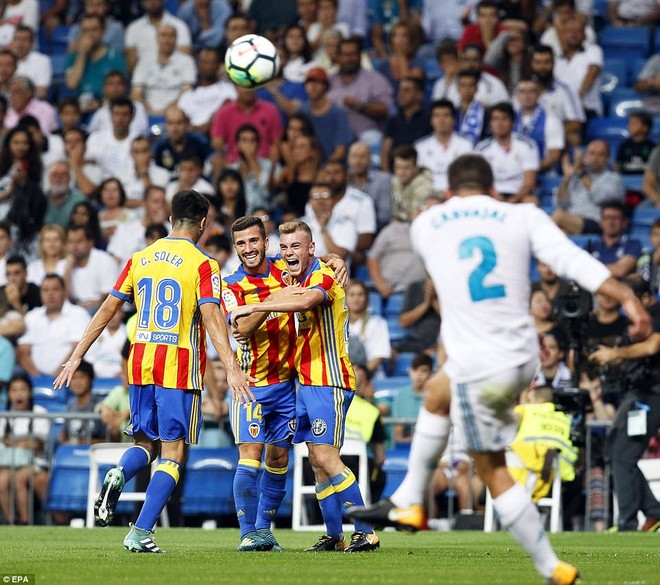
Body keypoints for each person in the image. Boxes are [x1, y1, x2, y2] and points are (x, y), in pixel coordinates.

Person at [348, 153, 652, 585]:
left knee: (491, 469)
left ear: (450, 191)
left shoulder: (426, 225)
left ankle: (553, 568)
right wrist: (626, 297)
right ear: (493, 188)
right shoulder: (521, 214)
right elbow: (572, 260)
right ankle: (410, 500)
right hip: (521, 356)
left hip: (479, 361)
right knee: (436, 392)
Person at [53, 189, 254, 553]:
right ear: (204, 223)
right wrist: (232, 367)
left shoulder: (139, 258)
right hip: (178, 365)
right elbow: (211, 318)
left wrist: (74, 356)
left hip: (141, 362)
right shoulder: (204, 264)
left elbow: (106, 310)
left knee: (144, 443)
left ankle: (119, 472)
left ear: (170, 218)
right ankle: (141, 531)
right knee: (173, 454)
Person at [231, 219, 379, 553]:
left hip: (331, 379)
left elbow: (304, 301)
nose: (288, 254)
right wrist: (332, 254)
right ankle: (334, 535)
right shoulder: (297, 271)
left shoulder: (321, 276)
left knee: (326, 456)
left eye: (296, 246)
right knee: (315, 459)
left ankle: (367, 530)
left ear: (310, 248)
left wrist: (258, 304)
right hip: (306, 383)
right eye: (283, 248)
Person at [221, 216, 298, 551]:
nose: (248, 249)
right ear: (235, 247)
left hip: (287, 384)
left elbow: (318, 261)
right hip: (250, 385)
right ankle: (246, 533)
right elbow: (240, 329)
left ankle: (264, 530)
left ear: (266, 242)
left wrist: (335, 259)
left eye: (254, 241)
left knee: (279, 459)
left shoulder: (286, 267)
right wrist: (273, 301)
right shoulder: (231, 285)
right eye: (241, 243)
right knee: (249, 457)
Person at [590, 274, 660, 532]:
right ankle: (653, 513)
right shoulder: (635, 322)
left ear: (644, 297)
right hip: (638, 393)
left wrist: (615, 353)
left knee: (623, 454)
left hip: (653, 394)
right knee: (615, 451)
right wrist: (607, 358)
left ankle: (628, 524)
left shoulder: (656, 312)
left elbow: (653, 346)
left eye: (629, 300)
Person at [17, 273, 91, 376]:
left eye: (55, 289)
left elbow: (78, 350)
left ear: (64, 292)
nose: (50, 294)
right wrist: (37, 377)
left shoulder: (78, 314)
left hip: (69, 376)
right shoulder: (31, 316)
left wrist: (57, 376)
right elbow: (23, 351)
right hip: (35, 378)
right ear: (40, 293)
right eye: (45, 290)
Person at [0, 374, 50, 525]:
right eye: (14, 390)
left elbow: (39, 443)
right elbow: (3, 442)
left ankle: (25, 521)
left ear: (30, 392)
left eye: (23, 389)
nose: (19, 394)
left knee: (19, 479)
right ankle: (10, 522)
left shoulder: (40, 412)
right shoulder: (4, 415)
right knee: (1, 482)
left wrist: (13, 442)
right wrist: (25, 442)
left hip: (35, 462)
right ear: (8, 394)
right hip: (9, 463)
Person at [552, 140, 625, 235]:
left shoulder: (613, 178)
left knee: (559, 216)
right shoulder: (575, 178)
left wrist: (582, 172)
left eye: (600, 155)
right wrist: (567, 178)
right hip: (572, 221)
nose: (595, 158)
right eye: (592, 154)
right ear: (586, 156)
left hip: (596, 222)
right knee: (561, 233)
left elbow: (599, 197)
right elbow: (559, 204)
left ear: (607, 159)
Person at [475, 101, 540, 204]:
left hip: (518, 194)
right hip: (493, 195)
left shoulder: (527, 145)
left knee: (532, 202)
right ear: (490, 123)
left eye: (504, 119)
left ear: (512, 122)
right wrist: (494, 196)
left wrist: (512, 200)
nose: (500, 123)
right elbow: (479, 180)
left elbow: (529, 182)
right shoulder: (481, 149)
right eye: (495, 119)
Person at [130, 23, 196, 116]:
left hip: (175, 114)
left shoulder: (186, 61)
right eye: (163, 35)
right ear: (157, 38)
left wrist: (166, 111)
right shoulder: (144, 61)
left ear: (176, 38)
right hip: (146, 113)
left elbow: (186, 92)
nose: (167, 40)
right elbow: (136, 92)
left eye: (171, 36)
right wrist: (149, 111)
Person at [414, 99, 473, 197]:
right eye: (437, 116)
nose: (441, 120)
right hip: (428, 197)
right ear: (431, 120)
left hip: (458, 195)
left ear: (454, 120)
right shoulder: (420, 147)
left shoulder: (466, 145)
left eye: (446, 115)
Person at [391, 353, 434, 443]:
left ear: (431, 374)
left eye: (423, 371)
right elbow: (398, 432)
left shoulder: (435, 396)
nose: (418, 374)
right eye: (415, 370)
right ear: (410, 372)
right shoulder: (401, 395)